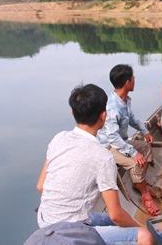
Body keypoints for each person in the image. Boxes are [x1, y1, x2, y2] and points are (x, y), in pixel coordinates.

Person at [35, 83, 153, 245]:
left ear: (72, 112)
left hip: (44, 221)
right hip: (68, 232)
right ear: (103, 116)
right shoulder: (103, 157)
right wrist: (142, 228)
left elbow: (41, 186)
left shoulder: (59, 138)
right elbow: (116, 214)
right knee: (144, 237)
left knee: (105, 219)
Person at [97, 64, 160, 216]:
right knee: (135, 161)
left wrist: (145, 131)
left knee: (145, 147)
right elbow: (112, 137)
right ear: (127, 82)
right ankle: (145, 194)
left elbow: (131, 118)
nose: (134, 80)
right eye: (133, 78)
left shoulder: (124, 100)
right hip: (109, 146)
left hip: (121, 141)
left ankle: (140, 181)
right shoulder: (112, 106)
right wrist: (132, 153)